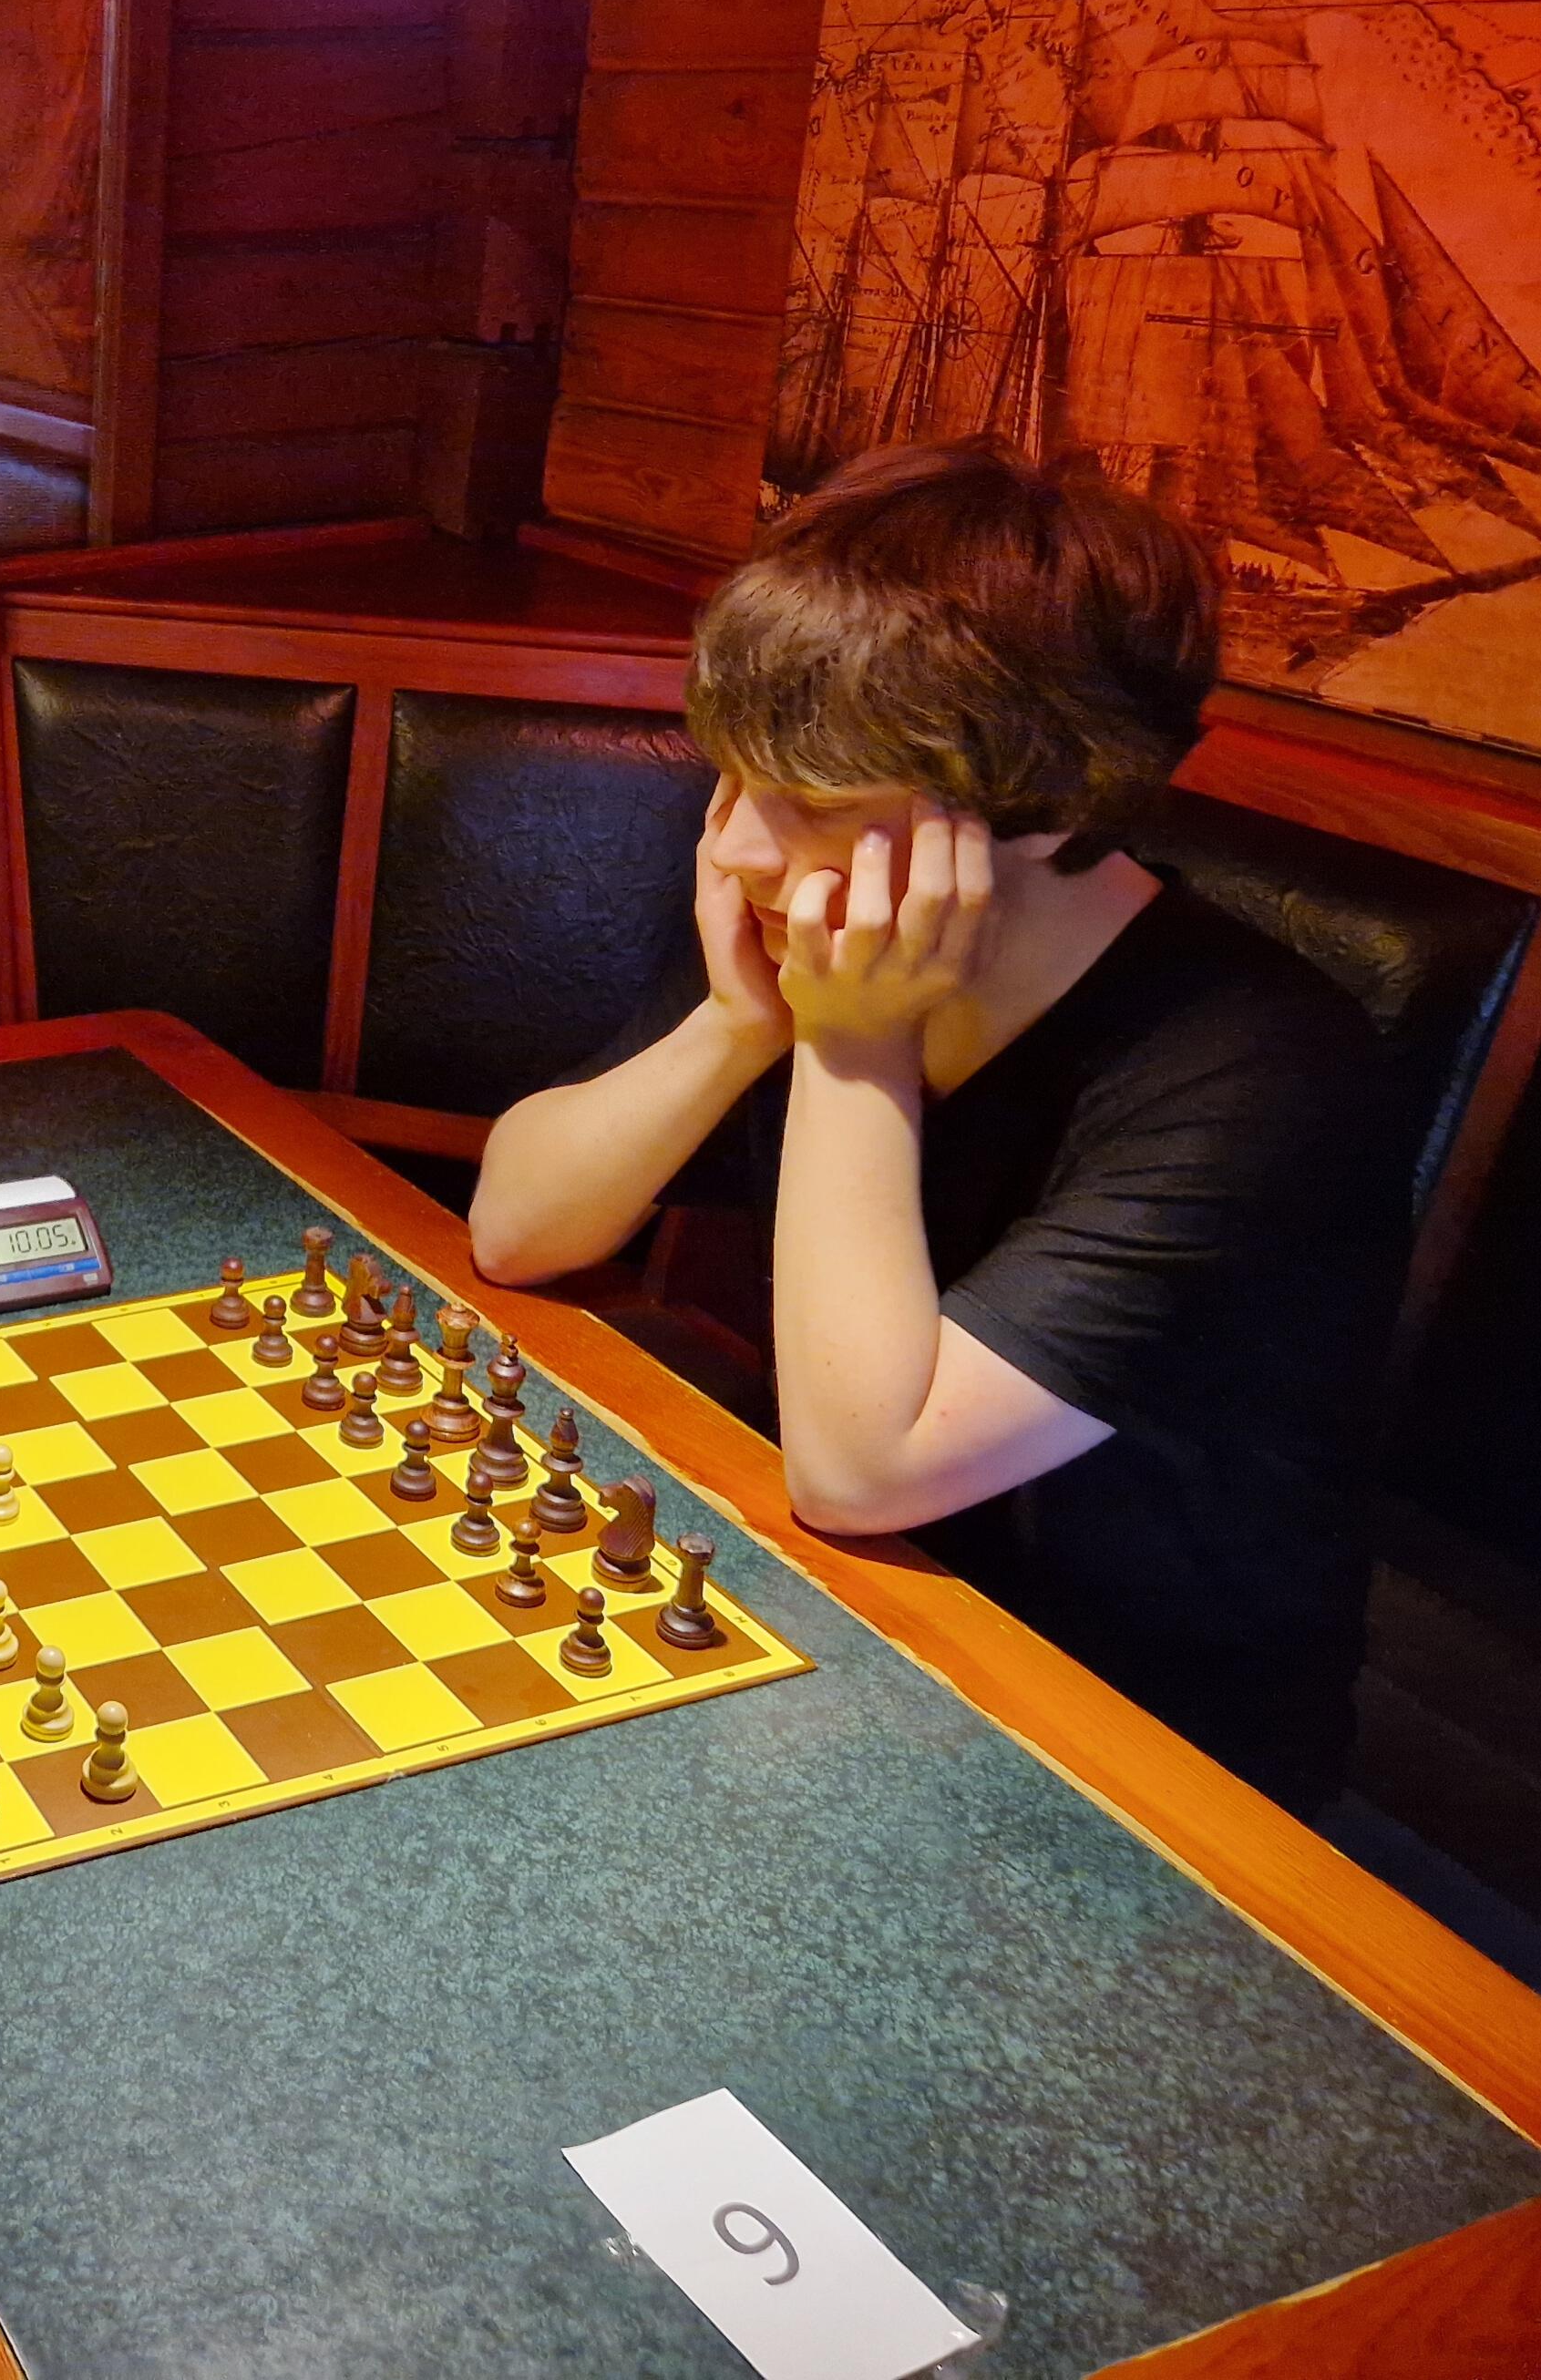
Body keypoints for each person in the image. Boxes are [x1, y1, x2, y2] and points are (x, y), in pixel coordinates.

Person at [467, 438, 1408, 1812]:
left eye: (813, 803)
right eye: (730, 779)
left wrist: (853, 1050)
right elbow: (516, 1229)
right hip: (857, 1627)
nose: (732, 849)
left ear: (1042, 805)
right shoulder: (816, 921)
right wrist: (736, 1026)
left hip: (1141, 1755)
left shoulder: (1262, 1070)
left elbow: (863, 1470)